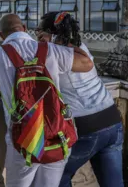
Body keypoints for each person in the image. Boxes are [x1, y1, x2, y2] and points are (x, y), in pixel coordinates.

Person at [0, 13, 93, 187]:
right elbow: (87, 63)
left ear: (1, 35)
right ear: (24, 28)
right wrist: (56, 39)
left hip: (24, 140)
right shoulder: (49, 48)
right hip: (55, 135)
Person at [36, 11, 124, 187]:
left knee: (56, 177)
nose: (35, 34)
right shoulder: (80, 47)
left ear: (47, 32)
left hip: (85, 126)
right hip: (112, 120)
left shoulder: (51, 53)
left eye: (38, 30)